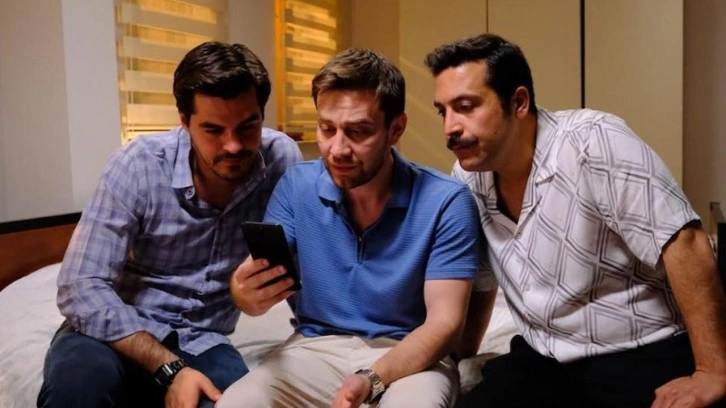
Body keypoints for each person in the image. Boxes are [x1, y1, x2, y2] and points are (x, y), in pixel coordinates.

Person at [424, 32, 726, 408]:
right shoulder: (467, 178)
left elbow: (687, 244)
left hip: (638, 349)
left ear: (519, 102)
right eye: (443, 111)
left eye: (466, 106)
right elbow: (484, 280)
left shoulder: (594, 142)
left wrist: (712, 371)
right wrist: (460, 356)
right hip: (543, 358)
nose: (450, 127)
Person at [37, 41, 302, 408]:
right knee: (77, 391)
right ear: (184, 122)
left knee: (240, 403)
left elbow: (304, 260)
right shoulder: (138, 166)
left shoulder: (280, 159)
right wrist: (170, 368)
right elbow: (79, 286)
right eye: (213, 130)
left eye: (247, 126)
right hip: (113, 333)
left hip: (204, 340)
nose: (233, 146)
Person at [216, 48, 483, 408]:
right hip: (313, 348)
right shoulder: (296, 186)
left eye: (358, 132)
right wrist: (243, 292)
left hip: (411, 355)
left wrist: (372, 378)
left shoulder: (446, 201)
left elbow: (444, 324)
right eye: (327, 129)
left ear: (395, 129)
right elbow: (255, 287)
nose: (338, 149)